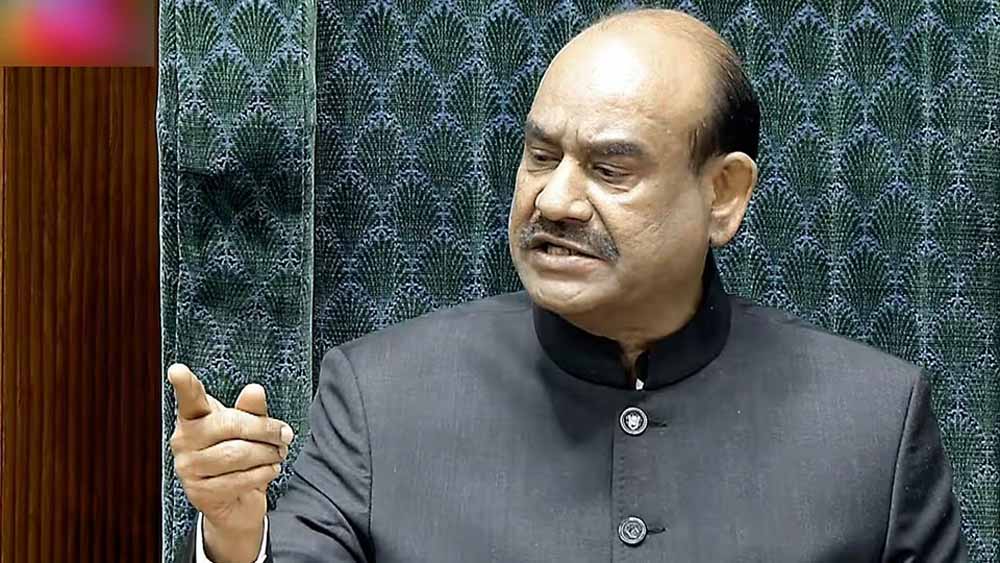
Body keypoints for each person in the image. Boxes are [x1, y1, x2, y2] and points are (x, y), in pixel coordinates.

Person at [167, 8, 967, 562]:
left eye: (610, 168)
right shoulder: (380, 395)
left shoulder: (872, 421)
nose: (553, 200)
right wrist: (236, 536)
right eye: (541, 156)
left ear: (723, 194)